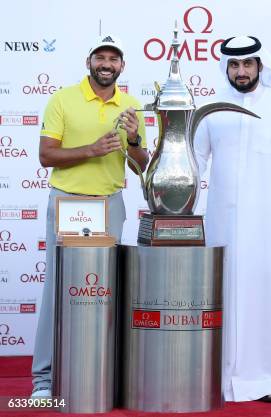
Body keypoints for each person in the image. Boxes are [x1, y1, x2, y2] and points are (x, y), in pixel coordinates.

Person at [194, 35, 271, 402]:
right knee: (225, 293)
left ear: (260, 65)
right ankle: (223, 378)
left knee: (270, 296)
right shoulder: (211, 107)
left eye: (247, 64)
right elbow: (195, 161)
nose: (241, 71)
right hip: (222, 222)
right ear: (225, 67)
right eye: (234, 65)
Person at [31, 34, 148, 397]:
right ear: (89, 62)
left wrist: (132, 141)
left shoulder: (131, 106)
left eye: (114, 59)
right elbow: (47, 156)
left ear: (122, 67)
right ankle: (44, 381)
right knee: (60, 287)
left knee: (106, 288)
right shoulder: (63, 99)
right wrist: (92, 149)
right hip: (70, 201)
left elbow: (142, 166)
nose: (107, 64)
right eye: (101, 57)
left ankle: (104, 376)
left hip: (111, 203)